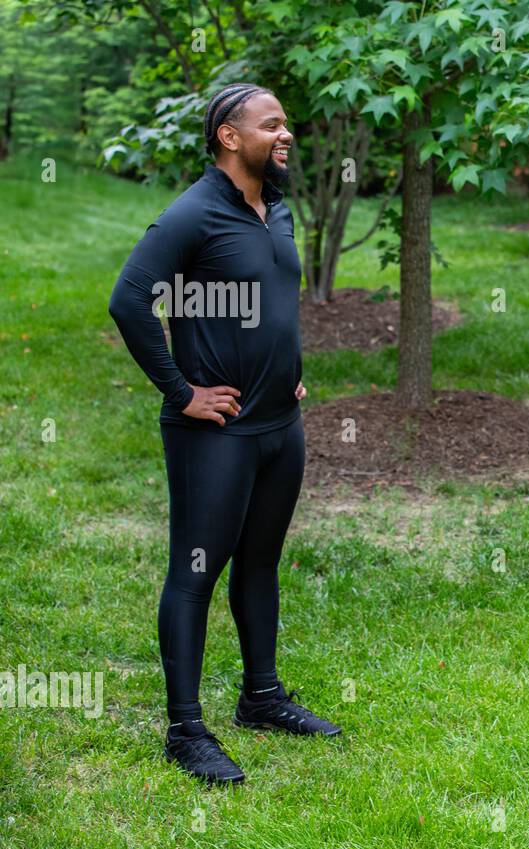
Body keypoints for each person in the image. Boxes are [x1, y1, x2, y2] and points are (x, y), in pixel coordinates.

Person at [108, 83, 341, 786]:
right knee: (196, 572)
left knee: (261, 561)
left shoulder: (279, 210)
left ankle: (261, 698)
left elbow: (271, 300)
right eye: (272, 125)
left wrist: (287, 372)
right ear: (229, 137)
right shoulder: (193, 213)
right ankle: (185, 731)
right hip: (217, 432)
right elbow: (129, 300)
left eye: (287, 125)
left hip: (279, 423)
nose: (286, 134)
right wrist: (182, 394)